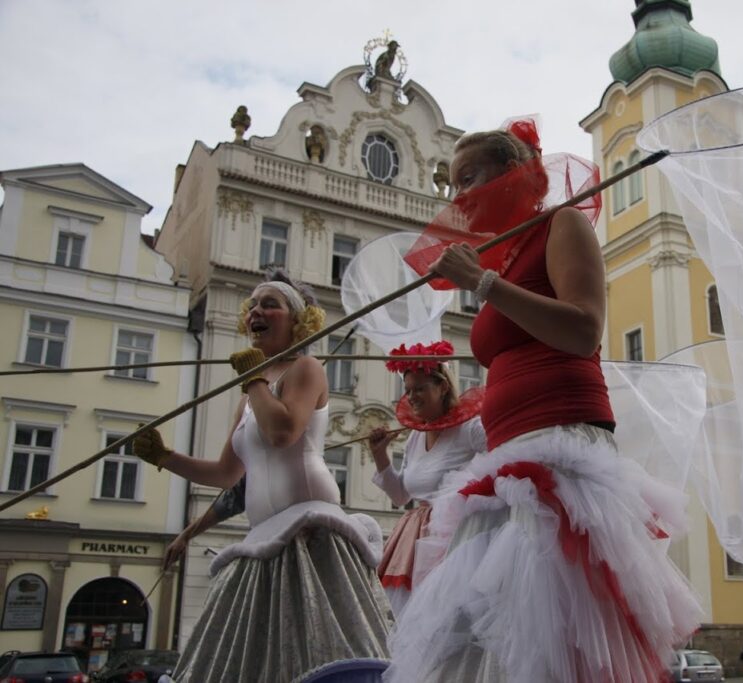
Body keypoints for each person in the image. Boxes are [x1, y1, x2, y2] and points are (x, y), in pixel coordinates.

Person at [385, 121, 702, 682]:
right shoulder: (500, 260)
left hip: (561, 449)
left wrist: (483, 285)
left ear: (516, 177)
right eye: (452, 185)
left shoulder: (562, 224)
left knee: (552, 629)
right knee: (483, 635)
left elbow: (583, 330)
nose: (458, 197)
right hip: (505, 460)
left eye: (469, 178)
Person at [133, 269, 391, 682]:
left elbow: (284, 433)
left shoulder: (306, 367)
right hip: (262, 530)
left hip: (309, 524)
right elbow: (225, 475)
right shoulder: (251, 395)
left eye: (270, 303)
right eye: (252, 304)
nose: (257, 310)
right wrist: (164, 456)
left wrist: (254, 380)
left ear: (297, 320)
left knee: (318, 646)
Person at [368, 340, 486, 618]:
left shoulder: (470, 428)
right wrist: (380, 454)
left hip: (455, 541)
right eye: (408, 390)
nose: (412, 397)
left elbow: (501, 465)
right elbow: (401, 497)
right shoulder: (415, 437)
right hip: (411, 542)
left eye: (420, 388)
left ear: (442, 386)